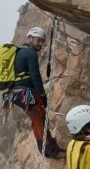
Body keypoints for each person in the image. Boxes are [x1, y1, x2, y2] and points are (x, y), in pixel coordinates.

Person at [8, 26, 62, 159]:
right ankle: (53, 150)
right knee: (40, 119)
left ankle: (43, 149)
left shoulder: (19, 51)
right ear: (30, 38)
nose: (41, 44)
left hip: (16, 94)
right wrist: (42, 95)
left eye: (43, 41)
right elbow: (35, 77)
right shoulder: (31, 54)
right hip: (26, 93)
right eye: (39, 40)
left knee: (35, 119)